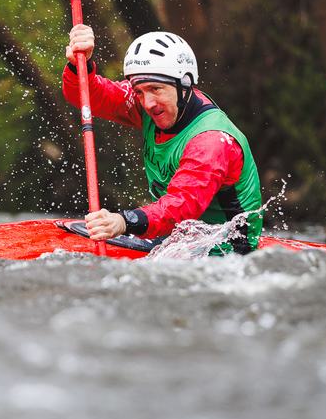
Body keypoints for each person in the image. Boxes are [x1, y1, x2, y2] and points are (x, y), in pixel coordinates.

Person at [63, 24, 262, 255]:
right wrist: (81, 65)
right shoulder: (149, 103)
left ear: (184, 84)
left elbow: (181, 206)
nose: (147, 103)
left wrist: (124, 221)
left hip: (228, 255)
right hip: (177, 240)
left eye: (155, 89)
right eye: (139, 91)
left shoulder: (212, 142)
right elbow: (90, 97)